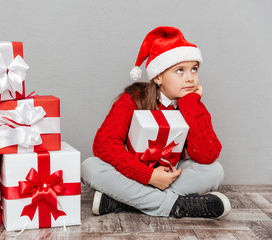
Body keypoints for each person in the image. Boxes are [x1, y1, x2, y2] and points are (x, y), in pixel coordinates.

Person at [81, 26, 231, 219]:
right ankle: (177, 206)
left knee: (215, 171)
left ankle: (123, 202)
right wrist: (149, 176)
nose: (190, 77)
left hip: (171, 174)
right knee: (90, 167)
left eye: (194, 69)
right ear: (158, 76)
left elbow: (206, 156)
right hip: (134, 172)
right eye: (180, 70)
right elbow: (104, 144)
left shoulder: (191, 103)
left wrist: (190, 105)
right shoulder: (133, 98)